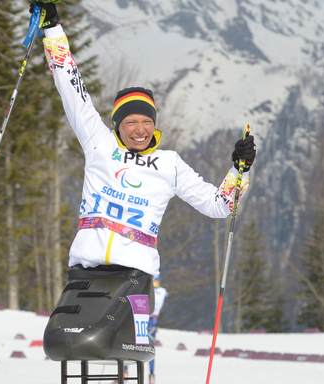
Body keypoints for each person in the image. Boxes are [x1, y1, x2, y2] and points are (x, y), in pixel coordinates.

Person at [33, 0, 255, 281]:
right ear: (117, 126)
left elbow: (220, 206)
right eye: (131, 122)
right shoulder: (100, 143)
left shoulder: (168, 164)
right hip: (84, 273)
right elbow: (70, 87)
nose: (140, 130)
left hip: (135, 278)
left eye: (147, 122)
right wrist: (52, 28)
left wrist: (239, 169)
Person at [149, 275, 167, 384]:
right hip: (148, 319)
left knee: (150, 347)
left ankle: (151, 373)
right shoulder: (162, 291)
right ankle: (125, 370)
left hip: (152, 320)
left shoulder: (161, 291)